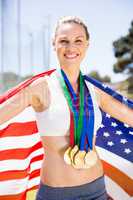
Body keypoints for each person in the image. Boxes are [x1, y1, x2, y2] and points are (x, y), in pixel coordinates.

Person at [0, 16, 133, 200]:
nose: (71, 47)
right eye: (64, 41)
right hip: (56, 194)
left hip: (97, 191)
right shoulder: (40, 88)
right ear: (54, 44)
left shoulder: (95, 92)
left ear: (87, 45)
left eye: (78, 41)